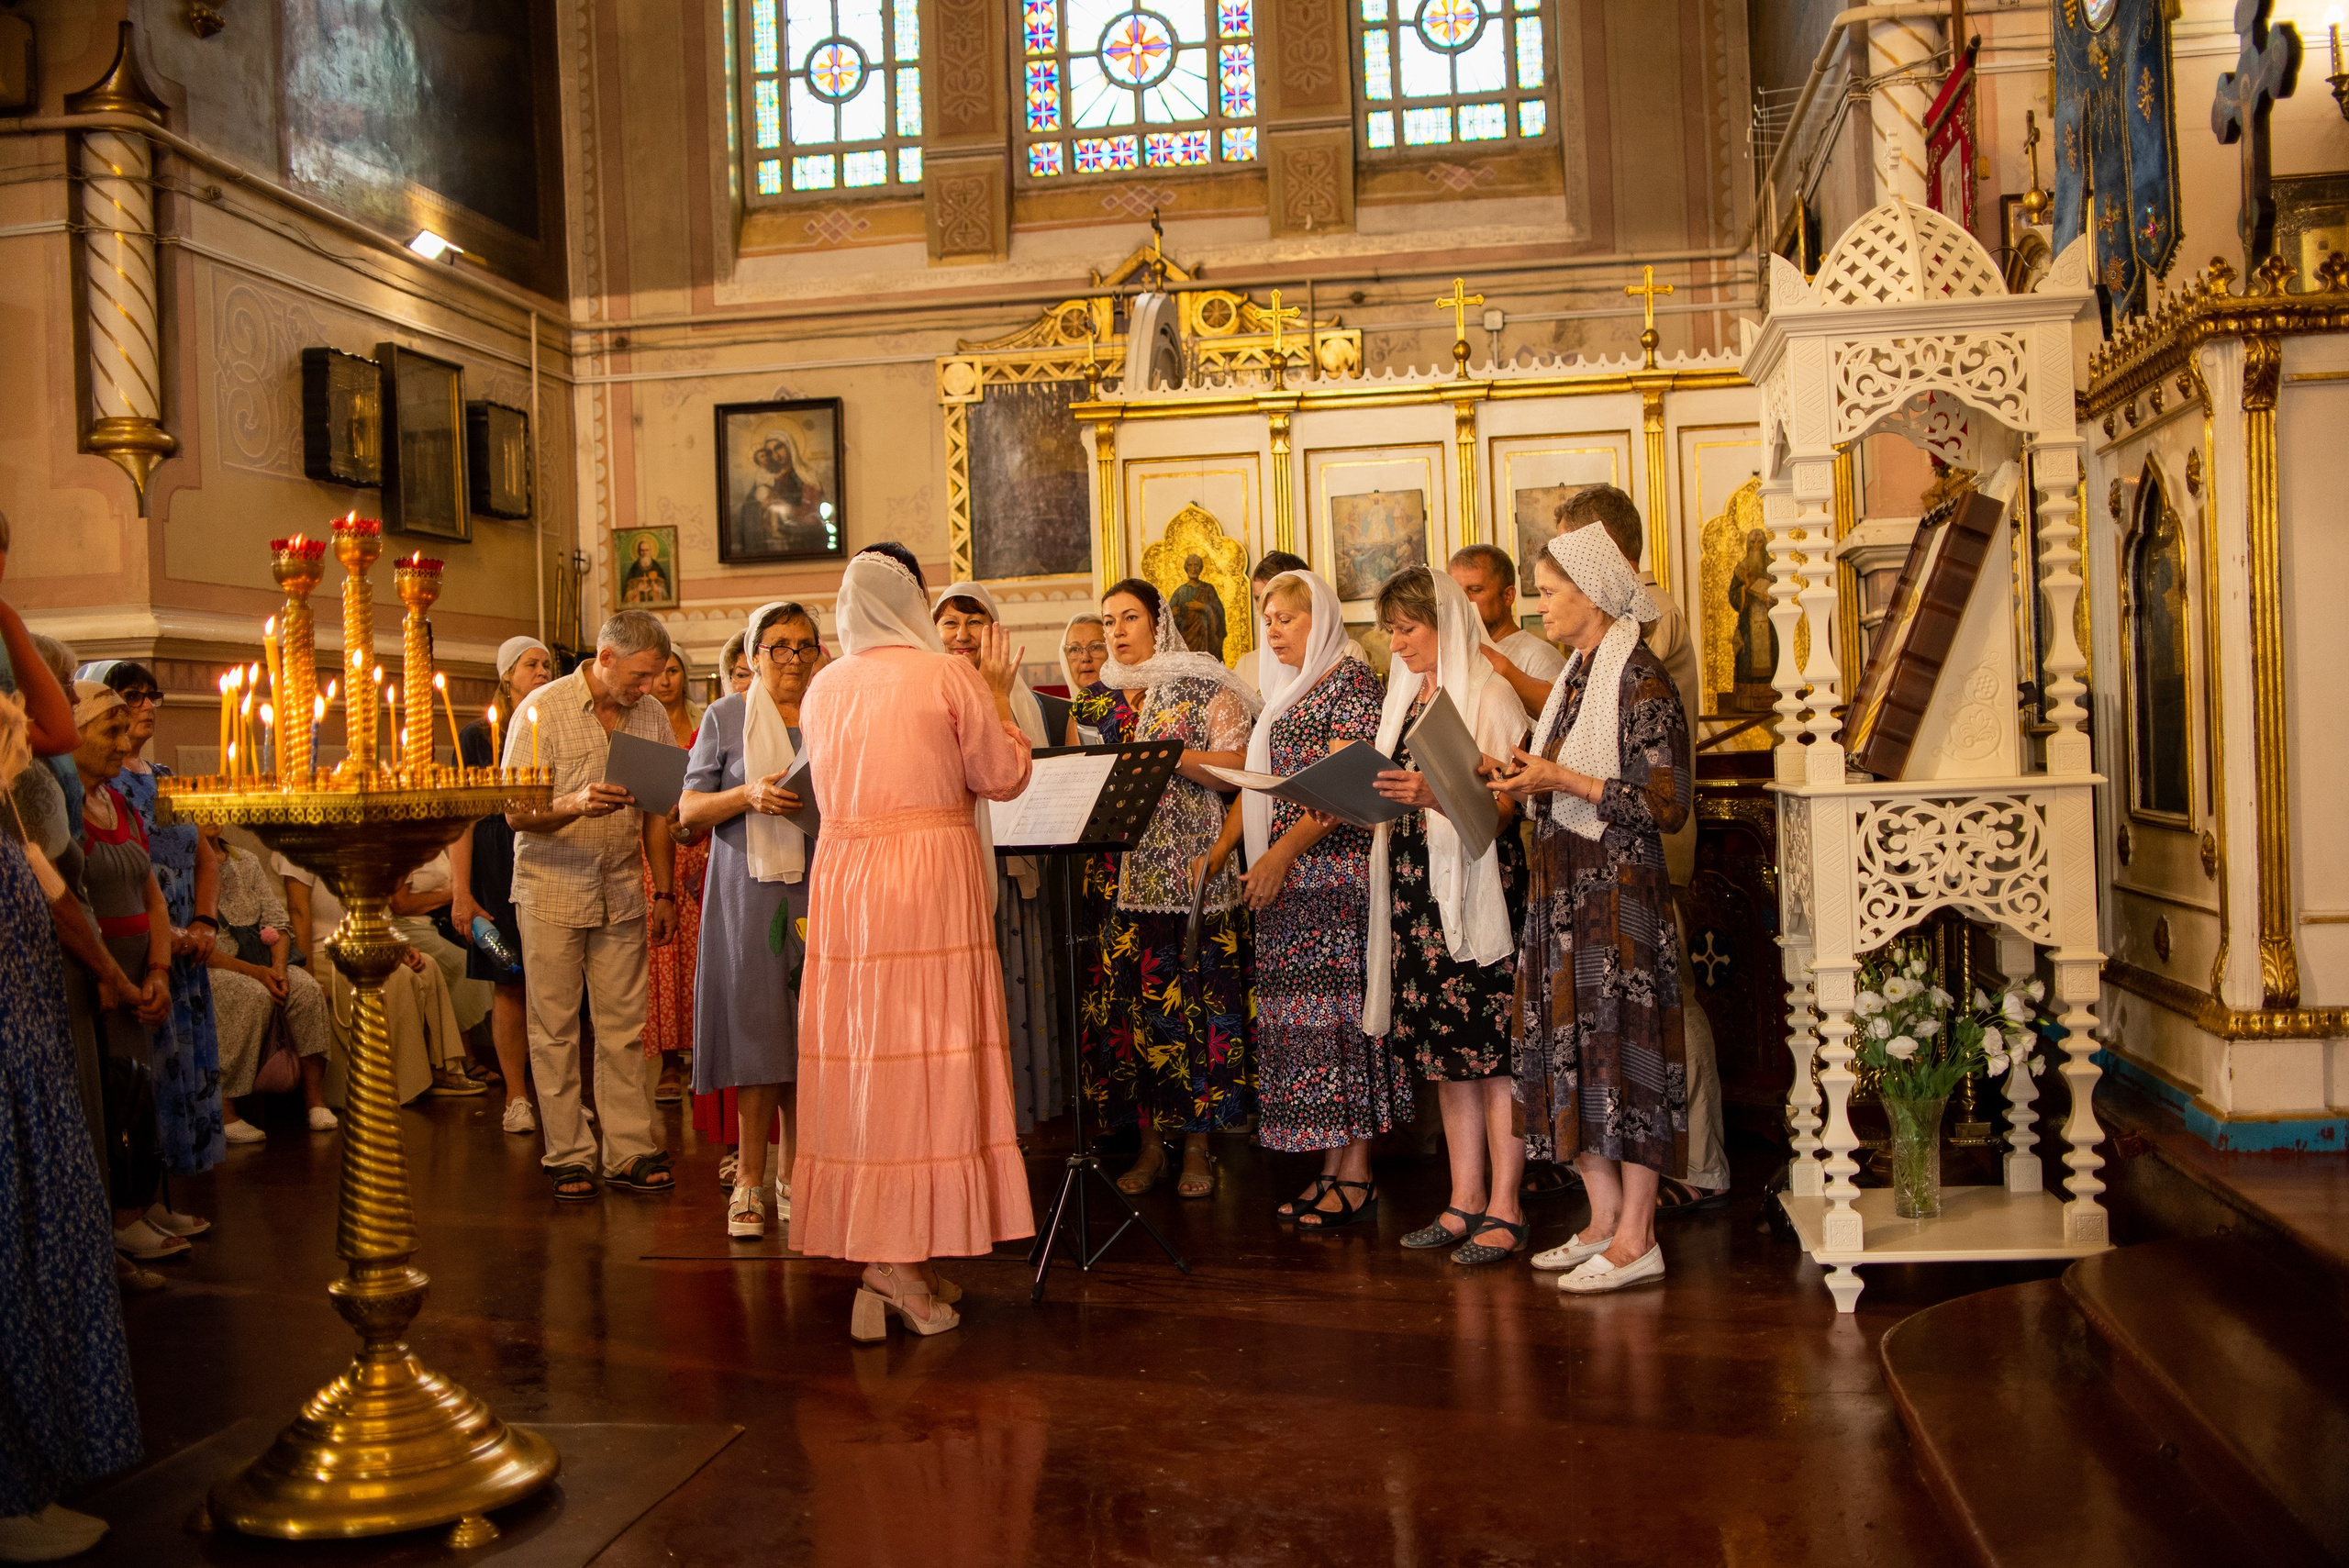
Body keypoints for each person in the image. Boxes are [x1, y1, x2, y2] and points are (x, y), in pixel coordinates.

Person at [791, 543, 1035, 1340]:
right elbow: (1002, 776)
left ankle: (898, 1255)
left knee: (873, 1062)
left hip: (850, 881)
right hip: (929, 878)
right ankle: (894, 1267)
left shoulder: (825, 685)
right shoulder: (947, 675)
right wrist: (998, 697)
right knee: (931, 1059)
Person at [1495, 526, 1693, 1294]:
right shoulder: (1580, 675)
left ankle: (1640, 1236)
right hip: (1565, 893)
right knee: (1574, 1052)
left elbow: (1667, 803)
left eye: (1549, 592)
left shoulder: (1639, 678)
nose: (1539, 604)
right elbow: (1563, 767)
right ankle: (1604, 1218)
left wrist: (1562, 781)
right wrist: (1516, 772)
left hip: (1618, 899)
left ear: (1594, 594)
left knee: (1628, 1056)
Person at [1200, 569, 1406, 1229]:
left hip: (1333, 887)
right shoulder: (1291, 688)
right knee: (1309, 1031)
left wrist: (1279, 855)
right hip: (1291, 892)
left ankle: (1359, 1171)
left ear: (1321, 620)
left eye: (1288, 617)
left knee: (1339, 1026)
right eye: (1268, 618)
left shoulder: (1348, 683)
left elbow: (1349, 788)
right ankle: (1331, 1167)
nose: (1274, 629)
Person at [1550, 485, 1728, 1210]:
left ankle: (1698, 1163)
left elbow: (1652, 775)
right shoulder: (1596, 647)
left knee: (1661, 1008)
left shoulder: (1649, 624)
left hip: (1640, 846)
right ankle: (1629, 1181)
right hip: (1598, 847)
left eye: (1569, 555)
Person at [0, 684, 143, 1566]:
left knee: (43, 1262)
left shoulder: (10, 816)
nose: (22, 723)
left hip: (30, 1066)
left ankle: (31, 1474)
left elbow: (60, 903)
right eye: (3, 719)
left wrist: (123, 981)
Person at [1363, 567, 1531, 1264]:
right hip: (1417, 897)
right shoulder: (1405, 697)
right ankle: (1464, 1198)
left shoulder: (1488, 694)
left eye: (1408, 627)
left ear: (1445, 622)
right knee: (1446, 1057)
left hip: (1478, 887)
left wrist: (1435, 797)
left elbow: (1502, 810)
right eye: (1392, 629)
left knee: (1494, 1056)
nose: (1396, 642)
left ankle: (1506, 1205)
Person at [1082, 579, 1256, 1200]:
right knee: (1138, 1017)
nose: (1117, 630)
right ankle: (1151, 1144)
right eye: (1108, 620)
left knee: (1194, 1013)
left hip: (1193, 879)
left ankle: (1199, 1146)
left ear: (1159, 623)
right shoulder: (1097, 702)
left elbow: (1239, 767)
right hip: (1120, 882)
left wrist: (1174, 756)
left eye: (1130, 616)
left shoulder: (1202, 682)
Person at [504, 609, 680, 1202]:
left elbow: (657, 811)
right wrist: (575, 802)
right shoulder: (541, 710)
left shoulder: (650, 716)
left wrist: (663, 889)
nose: (648, 687)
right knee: (554, 1028)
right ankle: (568, 1151)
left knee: (624, 1029)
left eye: (655, 675)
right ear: (604, 658)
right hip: (551, 888)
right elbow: (514, 812)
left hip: (623, 889)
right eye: (639, 675)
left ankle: (627, 1147)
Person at [677, 601, 820, 1240]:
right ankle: (749, 1180)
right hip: (748, 890)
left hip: (820, 889)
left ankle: (798, 1175)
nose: (792, 659)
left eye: (805, 646)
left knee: (808, 1036)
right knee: (760, 1033)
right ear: (755, 656)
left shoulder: (829, 713)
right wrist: (748, 795)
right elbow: (687, 807)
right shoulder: (725, 715)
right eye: (779, 647)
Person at [83, 661, 225, 1185]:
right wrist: (169, 934)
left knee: (187, 1064)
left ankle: (175, 1189)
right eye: (131, 696)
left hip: (188, 942)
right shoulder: (98, 782)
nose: (145, 707)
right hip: (145, 940)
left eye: (151, 696)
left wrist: (206, 922)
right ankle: (143, 1194)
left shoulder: (166, 779)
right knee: (147, 1071)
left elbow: (206, 858)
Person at [932, 580, 1060, 1134]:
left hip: (1009, 872)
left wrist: (996, 696)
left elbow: (1024, 782)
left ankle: (1015, 1123)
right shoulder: (925, 688)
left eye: (974, 623)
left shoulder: (1019, 695)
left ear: (995, 631)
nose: (962, 636)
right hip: (946, 870)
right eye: (950, 624)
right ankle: (961, 1125)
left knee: (1012, 992)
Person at [66, 684, 187, 1263]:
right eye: (109, 733)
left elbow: (154, 898)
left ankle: (142, 1203)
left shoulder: (118, 802)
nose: (123, 744)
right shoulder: (63, 811)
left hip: (142, 972)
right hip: (99, 979)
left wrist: (159, 968)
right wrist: (115, 976)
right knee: (114, 1100)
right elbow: (70, 903)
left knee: (146, 1094)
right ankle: (117, 1221)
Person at [451, 635, 554, 1133]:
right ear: (506, 676)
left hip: (548, 856)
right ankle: (517, 1096)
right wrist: (461, 893)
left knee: (556, 987)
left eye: (548, 665)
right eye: (531, 664)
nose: (542, 672)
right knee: (510, 985)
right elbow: (462, 820)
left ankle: (558, 1097)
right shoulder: (479, 736)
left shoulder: (555, 724)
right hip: (495, 862)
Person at [276, 853, 474, 1106]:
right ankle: (392, 1085)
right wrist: (308, 975)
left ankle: (440, 1070)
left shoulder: (354, 844)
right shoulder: (297, 849)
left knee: (426, 966)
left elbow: (372, 908)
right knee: (399, 977)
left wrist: (396, 946)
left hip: (364, 945)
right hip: (322, 952)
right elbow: (298, 910)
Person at [200, 823, 336, 1142]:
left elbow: (278, 921)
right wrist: (256, 974)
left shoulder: (244, 859)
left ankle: (314, 1100)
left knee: (305, 989)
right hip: (217, 965)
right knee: (251, 995)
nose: (211, 816)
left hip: (263, 962)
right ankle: (226, 1108)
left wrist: (278, 968)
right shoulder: (183, 866)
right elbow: (199, 945)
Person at [643, 646, 706, 1106]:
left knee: (699, 956)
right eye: (659, 672)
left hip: (700, 847)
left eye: (674, 671)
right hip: (658, 850)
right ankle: (668, 1061)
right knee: (664, 961)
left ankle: (702, 1054)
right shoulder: (643, 723)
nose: (666, 680)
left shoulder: (705, 723)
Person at [387, 850, 493, 1094]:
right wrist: (454, 896)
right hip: (409, 926)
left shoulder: (438, 841)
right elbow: (400, 904)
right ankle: (463, 1058)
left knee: (490, 952)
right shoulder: (405, 844)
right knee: (463, 966)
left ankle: (502, 1050)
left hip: (438, 921)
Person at [1231, 551, 1368, 694]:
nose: (1265, 604)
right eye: (1258, 598)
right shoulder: (1246, 664)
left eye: (1285, 620)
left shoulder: (1348, 657)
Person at [1449, 544, 1565, 686]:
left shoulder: (1540, 658)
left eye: (1475, 590)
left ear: (1508, 596)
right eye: (1456, 592)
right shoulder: (1453, 655)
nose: (1464, 601)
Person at [1167, 552, 1229, 657]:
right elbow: (1167, 616)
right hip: (1186, 638)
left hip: (1205, 639)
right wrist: (1172, 614)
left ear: (1201, 568)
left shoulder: (1208, 589)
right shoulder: (1180, 592)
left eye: (1196, 565)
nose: (1193, 568)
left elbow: (1219, 612)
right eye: (1190, 565)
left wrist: (1204, 607)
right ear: (1186, 568)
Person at [1060, 613, 1108, 699]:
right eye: (1075, 649)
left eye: (1095, 647)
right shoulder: (1052, 711)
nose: (1085, 658)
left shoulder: (1130, 710)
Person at [621, 534, 672, 606]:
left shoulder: (657, 567)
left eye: (646, 550)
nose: (644, 553)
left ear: (650, 551)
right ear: (638, 552)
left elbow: (666, 595)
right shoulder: (634, 568)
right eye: (642, 550)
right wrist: (637, 590)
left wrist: (658, 590)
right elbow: (627, 596)